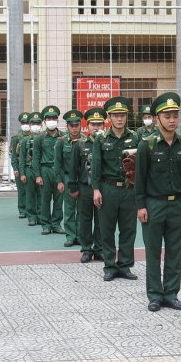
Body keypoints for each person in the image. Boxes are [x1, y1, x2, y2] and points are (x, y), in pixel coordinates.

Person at [135, 92, 181, 312]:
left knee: (175, 251)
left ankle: (171, 294)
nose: (172, 120)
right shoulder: (147, 145)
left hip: (177, 204)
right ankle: (154, 295)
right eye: (167, 115)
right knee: (153, 251)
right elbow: (139, 178)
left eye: (174, 115)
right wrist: (141, 206)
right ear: (157, 118)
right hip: (153, 204)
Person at [92, 97, 139, 282]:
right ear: (109, 117)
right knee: (107, 229)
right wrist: (96, 189)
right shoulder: (101, 138)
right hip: (108, 188)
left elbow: (141, 166)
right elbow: (96, 165)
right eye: (116, 115)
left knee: (128, 229)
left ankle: (125, 266)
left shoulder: (135, 137)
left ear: (126, 117)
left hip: (129, 189)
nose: (119, 119)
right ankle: (110, 266)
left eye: (122, 115)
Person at [69, 108, 106, 263]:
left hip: (103, 188)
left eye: (99, 124)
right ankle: (86, 249)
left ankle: (99, 249)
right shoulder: (80, 144)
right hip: (85, 187)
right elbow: (73, 167)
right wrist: (73, 186)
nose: (96, 127)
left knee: (101, 220)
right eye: (93, 124)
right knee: (84, 220)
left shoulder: (106, 143)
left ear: (104, 125)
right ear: (87, 126)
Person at [33, 105, 64, 236]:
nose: (51, 120)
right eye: (48, 118)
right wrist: (37, 175)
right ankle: (46, 225)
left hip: (59, 171)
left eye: (53, 118)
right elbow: (36, 158)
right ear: (44, 121)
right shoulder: (39, 137)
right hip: (45, 170)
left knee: (58, 199)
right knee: (44, 199)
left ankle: (56, 224)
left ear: (57, 120)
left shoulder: (63, 136)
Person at [56, 109, 83, 247]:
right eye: (71, 126)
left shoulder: (85, 141)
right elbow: (58, 163)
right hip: (67, 179)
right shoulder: (61, 142)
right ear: (67, 126)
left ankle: (81, 236)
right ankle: (71, 236)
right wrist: (59, 181)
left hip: (83, 179)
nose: (74, 128)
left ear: (80, 125)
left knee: (82, 210)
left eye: (76, 125)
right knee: (70, 209)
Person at [19, 112, 43, 227]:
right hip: (29, 169)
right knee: (30, 195)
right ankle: (31, 217)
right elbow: (22, 158)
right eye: (33, 123)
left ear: (41, 124)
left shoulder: (43, 138)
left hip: (41, 170)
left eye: (38, 123)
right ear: (30, 124)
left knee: (41, 194)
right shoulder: (25, 140)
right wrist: (22, 173)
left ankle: (40, 216)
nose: (35, 125)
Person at [10, 112, 31, 219]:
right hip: (19, 165)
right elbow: (13, 154)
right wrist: (15, 168)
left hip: (31, 166)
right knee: (22, 190)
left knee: (32, 190)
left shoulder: (35, 136)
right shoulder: (16, 137)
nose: (26, 124)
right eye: (23, 122)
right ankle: (22, 210)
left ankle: (32, 210)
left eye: (27, 122)